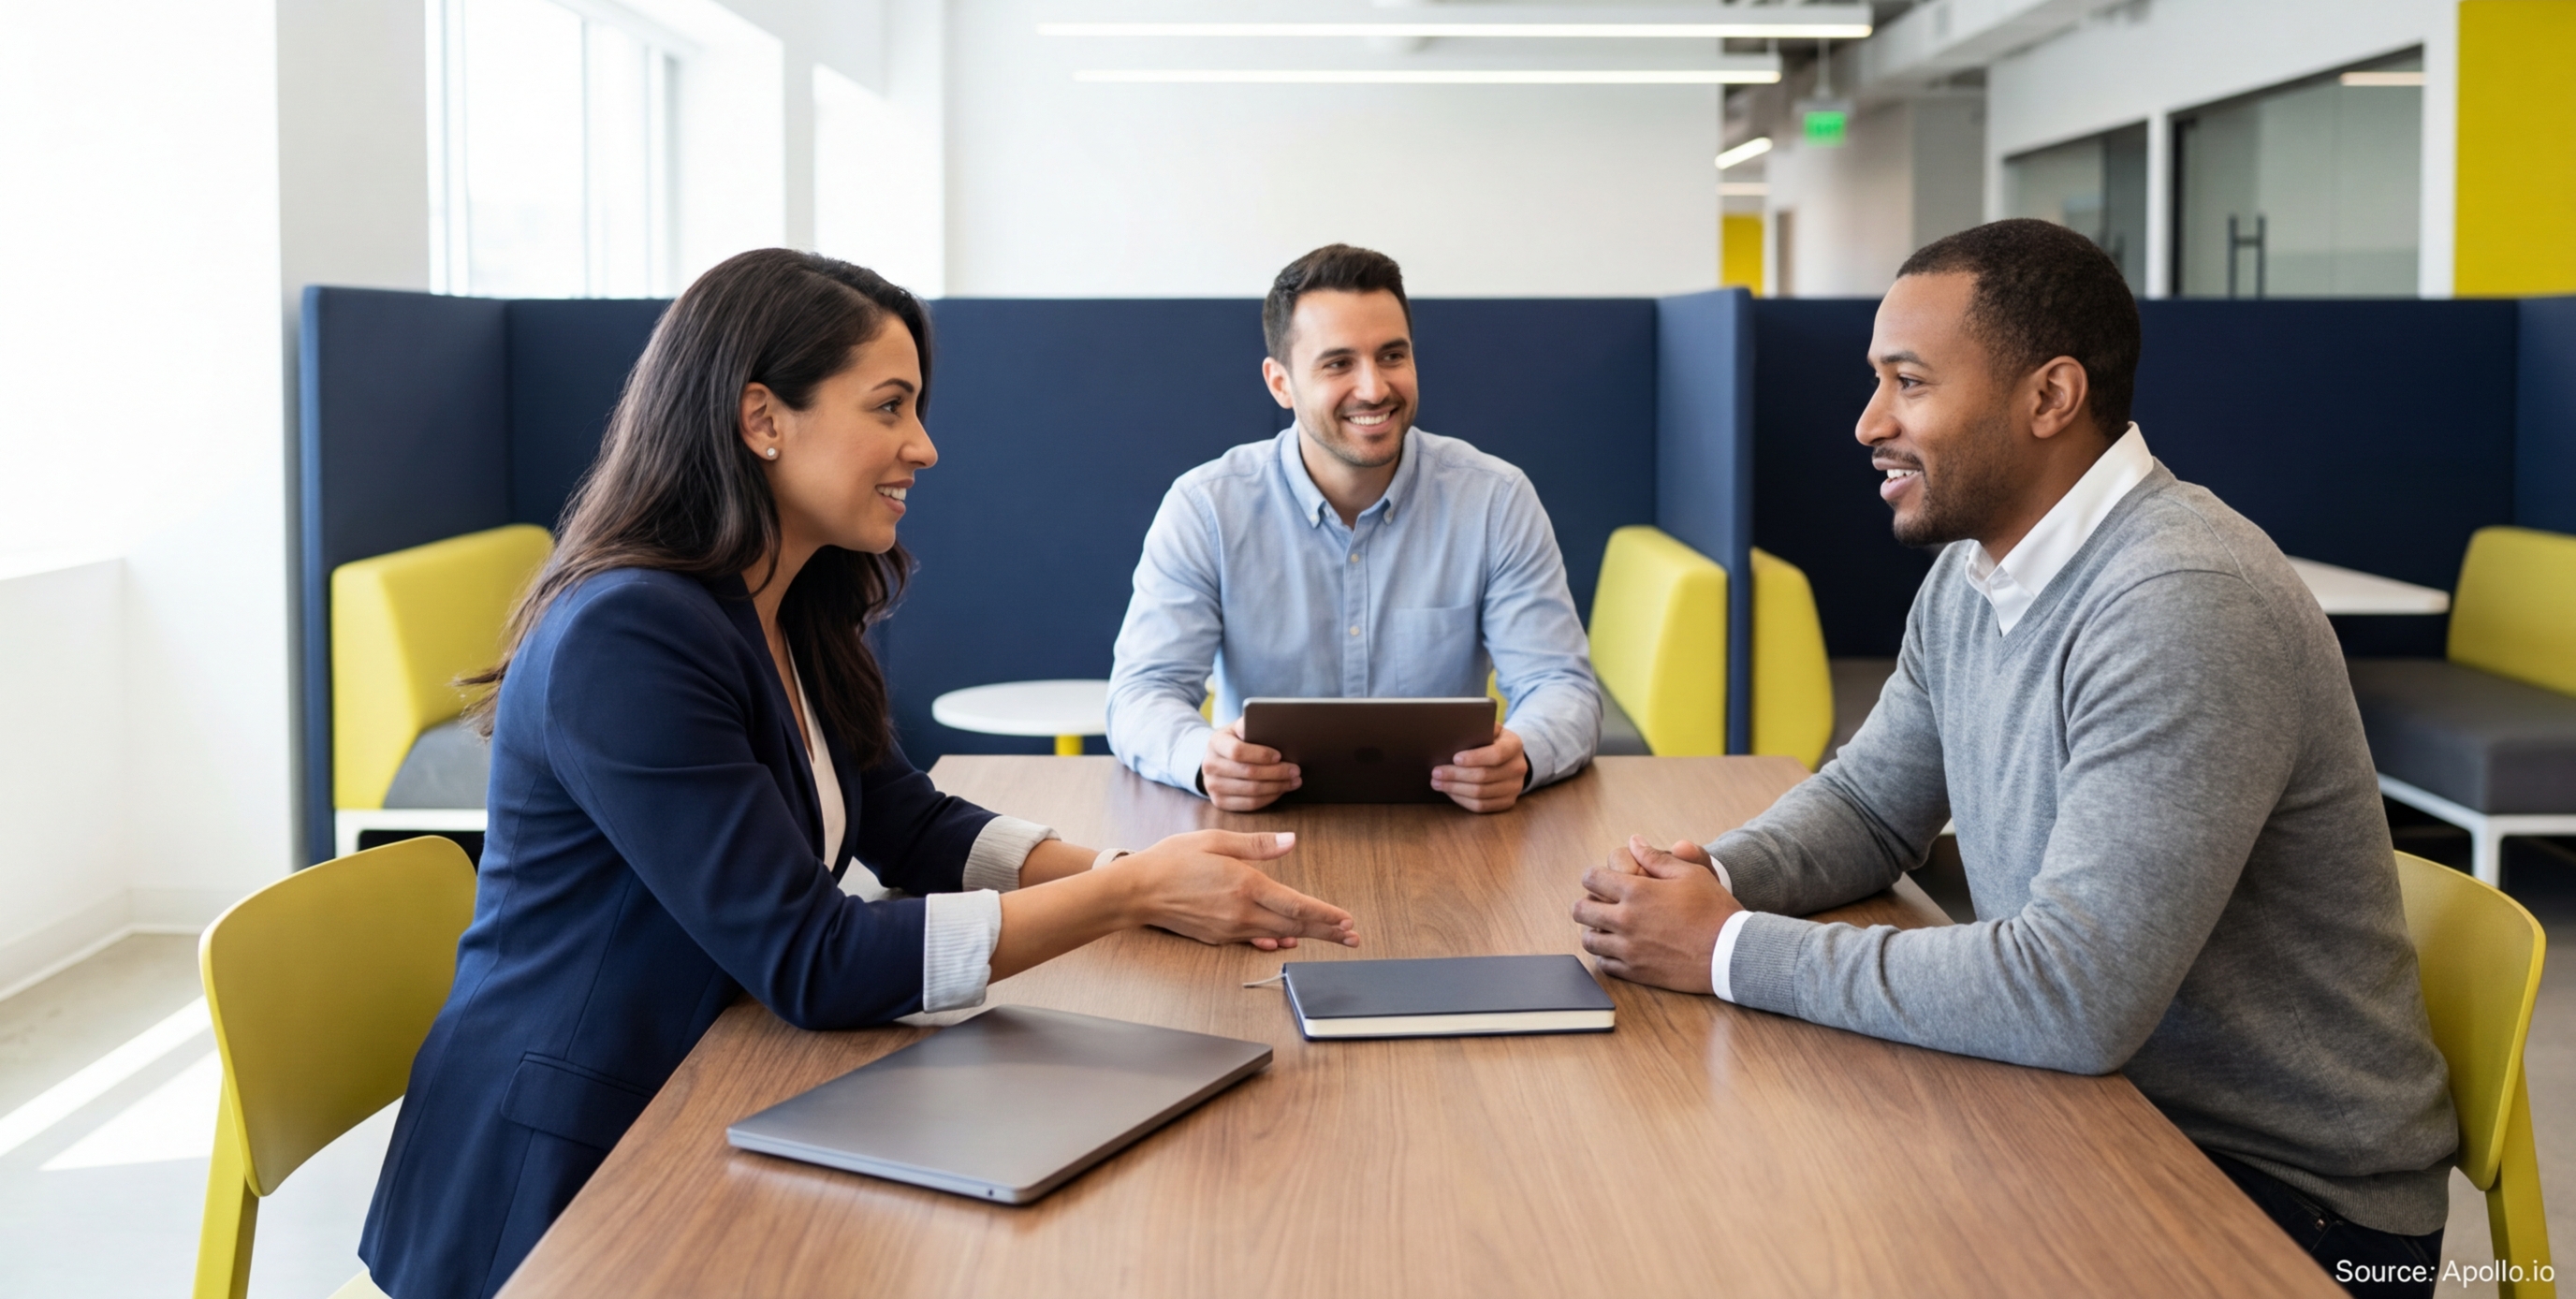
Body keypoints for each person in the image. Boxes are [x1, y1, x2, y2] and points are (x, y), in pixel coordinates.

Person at [359, 250, 1357, 1299]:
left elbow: (902, 819)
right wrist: (1122, 897)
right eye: (889, 408)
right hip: (568, 1174)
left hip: (717, 1093)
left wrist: (1127, 871)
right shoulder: (630, 635)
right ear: (762, 419)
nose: (921, 447)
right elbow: (813, 961)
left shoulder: (791, 600)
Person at [1569, 220, 2454, 1299]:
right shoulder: (1978, 572)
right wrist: (1711, 876)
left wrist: (1725, 950)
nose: (1868, 422)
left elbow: (2072, 995)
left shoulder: (2181, 603)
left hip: (2285, 1204)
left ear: (2050, 399)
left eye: (1908, 382)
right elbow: (1866, 805)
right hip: (2095, 1110)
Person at [1105, 243, 1601, 813]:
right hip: (1257, 833)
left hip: (1449, 833)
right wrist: (1203, 758)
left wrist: (1525, 754)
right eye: (1338, 363)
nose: (1373, 388)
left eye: (1392, 356)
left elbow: (1562, 688)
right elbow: (1143, 693)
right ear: (1281, 384)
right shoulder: (1206, 508)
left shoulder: (1495, 499)